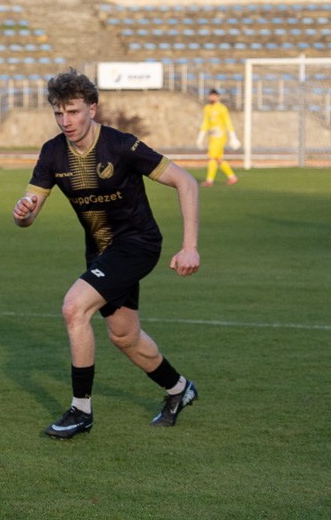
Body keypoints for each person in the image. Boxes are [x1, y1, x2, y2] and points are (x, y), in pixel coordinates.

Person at [12, 69, 201, 440]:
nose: (66, 121)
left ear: (93, 109)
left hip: (138, 244)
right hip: (100, 252)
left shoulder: (120, 146)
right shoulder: (53, 153)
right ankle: (179, 389)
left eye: (74, 112)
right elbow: (28, 215)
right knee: (124, 336)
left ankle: (81, 410)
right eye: (59, 113)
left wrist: (190, 246)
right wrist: (23, 212)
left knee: (74, 307)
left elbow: (186, 181)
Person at [197, 88, 240, 187]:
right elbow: (205, 123)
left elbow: (227, 122)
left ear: (217, 97)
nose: (212, 97)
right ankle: (232, 177)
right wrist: (200, 136)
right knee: (219, 159)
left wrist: (233, 136)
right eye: (210, 95)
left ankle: (209, 180)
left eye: (214, 95)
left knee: (212, 157)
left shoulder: (221, 108)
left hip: (220, 136)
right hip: (212, 136)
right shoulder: (207, 108)